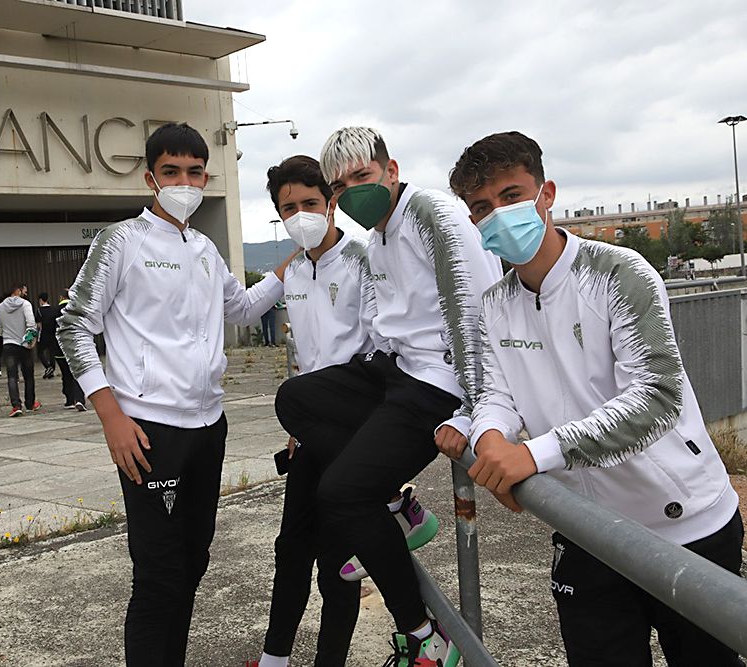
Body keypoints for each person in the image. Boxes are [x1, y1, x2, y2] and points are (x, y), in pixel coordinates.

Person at [446, 131, 744, 667]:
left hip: (686, 528)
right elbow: (496, 392)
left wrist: (532, 456)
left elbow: (656, 398)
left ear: (546, 193)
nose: (498, 214)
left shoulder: (619, 273)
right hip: (585, 530)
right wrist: (490, 439)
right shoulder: (494, 303)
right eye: (482, 207)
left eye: (512, 196)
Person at [56, 122, 294, 667]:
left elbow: (239, 309)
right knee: (159, 575)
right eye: (171, 172)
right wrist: (110, 414)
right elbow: (72, 327)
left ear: (206, 177)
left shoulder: (206, 249)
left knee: (191, 563)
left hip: (209, 428)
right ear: (150, 178)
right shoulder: (120, 241)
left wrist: (289, 267)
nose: (184, 182)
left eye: (193, 172)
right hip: (147, 430)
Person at [273, 127, 502, 666]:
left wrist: (472, 411)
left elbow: (474, 311)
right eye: (341, 186)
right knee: (296, 399)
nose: (352, 192)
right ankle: (396, 502)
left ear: (390, 170)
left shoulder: (432, 215)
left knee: (340, 497)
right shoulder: (377, 237)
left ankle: (424, 636)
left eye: (363, 176)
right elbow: (380, 323)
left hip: (438, 382)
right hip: (396, 369)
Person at [251, 155, 384, 667]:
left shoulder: (364, 258)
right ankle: (274, 658)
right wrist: (300, 422)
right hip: (311, 434)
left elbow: (378, 348)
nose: (301, 214)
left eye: (310, 202)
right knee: (290, 551)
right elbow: (305, 356)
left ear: (332, 201)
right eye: (289, 208)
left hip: (355, 431)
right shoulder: (294, 273)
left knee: (337, 563)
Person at [0, 284, 40, 417]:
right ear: (18, 291)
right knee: (28, 376)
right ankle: (30, 403)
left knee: (12, 376)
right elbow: (31, 323)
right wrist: (30, 340)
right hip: (24, 344)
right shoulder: (25, 304)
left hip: (8, 344)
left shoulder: (1, 307)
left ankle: (16, 405)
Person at [50, 289, 85, 410]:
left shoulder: (54, 311)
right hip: (75, 347)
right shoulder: (75, 310)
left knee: (65, 374)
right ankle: (79, 399)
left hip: (59, 349)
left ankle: (69, 400)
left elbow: (50, 331)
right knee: (77, 374)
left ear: (61, 298)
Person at [37, 292, 57, 379]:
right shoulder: (53, 309)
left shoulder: (39, 311)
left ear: (41, 300)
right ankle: (52, 369)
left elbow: (39, 325)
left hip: (44, 334)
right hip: (53, 334)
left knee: (40, 352)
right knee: (52, 352)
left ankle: (48, 367)